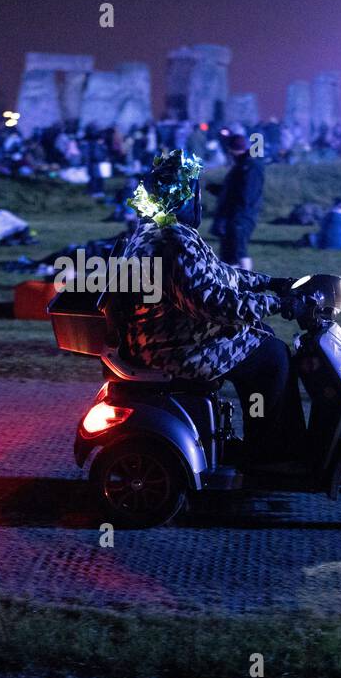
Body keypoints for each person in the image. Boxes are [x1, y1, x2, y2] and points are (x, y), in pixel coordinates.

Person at [120, 150, 307, 470]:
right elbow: (210, 301)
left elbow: (219, 274)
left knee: (263, 338)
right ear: (185, 197)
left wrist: (272, 284)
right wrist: (277, 304)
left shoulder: (152, 229)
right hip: (177, 347)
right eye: (195, 191)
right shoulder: (174, 238)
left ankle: (268, 446)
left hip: (160, 337)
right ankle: (269, 453)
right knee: (273, 357)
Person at [214, 132, 266, 271]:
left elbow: (247, 194)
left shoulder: (250, 166)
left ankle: (247, 281)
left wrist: (236, 208)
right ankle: (232, 283)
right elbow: (236, 188)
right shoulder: (242, 165)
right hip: (234, 215)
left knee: (239, 251)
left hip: (242, 215)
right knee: (229, 253)